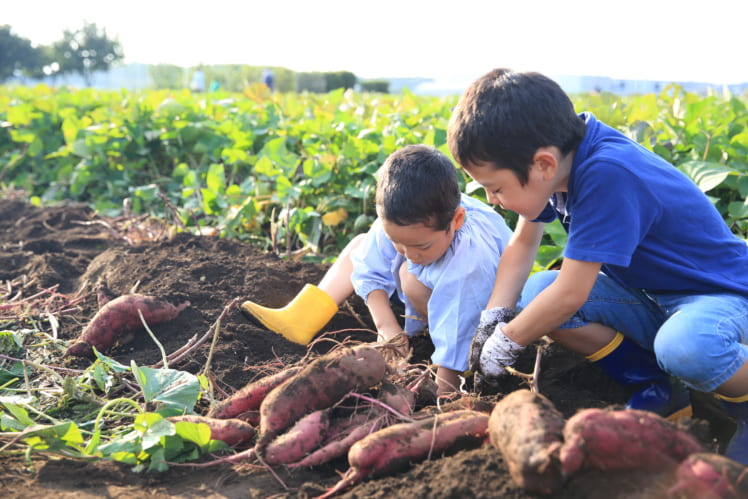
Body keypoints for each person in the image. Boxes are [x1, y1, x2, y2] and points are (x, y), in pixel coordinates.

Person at [446, 68, 748, 464]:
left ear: (543, 165)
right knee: (536, 294)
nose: (493, 198)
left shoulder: (607, 173)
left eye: (496, 187)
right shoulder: (560, 158)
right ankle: (657, 388)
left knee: (684, 346)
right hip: (652, 297)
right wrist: (495, 318)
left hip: (719, 296)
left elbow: (572, 294)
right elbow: (522, 244)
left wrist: (508, 341)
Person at [241, 144, 514, 395]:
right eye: (399, 243)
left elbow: (461, 322)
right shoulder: (407, 213)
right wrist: (387, 328)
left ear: (456, 220)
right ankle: (301, 319)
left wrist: (446, 391)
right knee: (361, 245)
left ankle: (427, 336)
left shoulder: (470, 260)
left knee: (410, 276)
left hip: (479, 312)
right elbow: (368, 267)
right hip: (434, 292)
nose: (409, 254)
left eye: (421, 246)